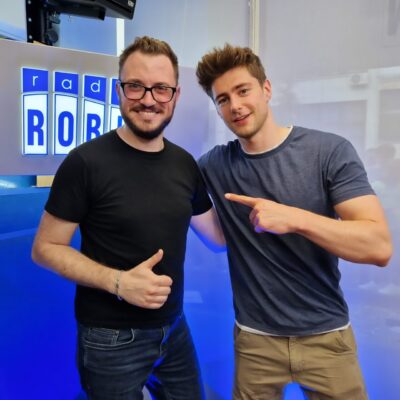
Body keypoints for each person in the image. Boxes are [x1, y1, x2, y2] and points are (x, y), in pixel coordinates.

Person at [31, 36, 224, 400]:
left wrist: (274, 202)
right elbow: (45, 248)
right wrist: (118, 282)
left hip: (173, 329)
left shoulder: (184, 164)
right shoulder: (85, 163)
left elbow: (217, 238)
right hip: (109, 338)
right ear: (118, 90)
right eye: (136, 86)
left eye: (161, 88)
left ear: (175, 96)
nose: (149, 99)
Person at [195, 44, 393, 400]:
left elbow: (378, 246)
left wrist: (296, 218)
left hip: (326, 339)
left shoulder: (328, 151)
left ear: (266, 89)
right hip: (254, 341)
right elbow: (219, 240)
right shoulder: (214, 165)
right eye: (223, 99)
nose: (235, 105)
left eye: (243, 90)